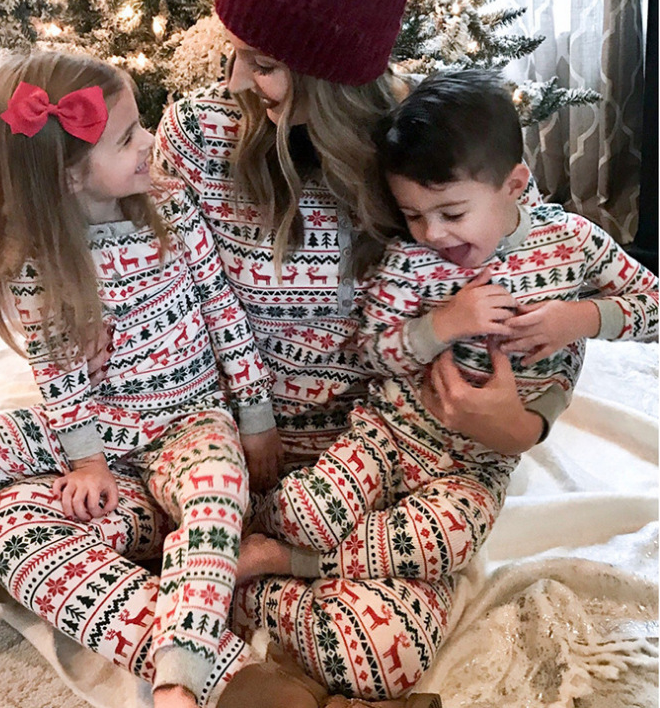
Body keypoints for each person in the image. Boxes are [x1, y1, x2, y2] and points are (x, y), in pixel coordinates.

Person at [150, 0, 551, 701]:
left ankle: (228, 589)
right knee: (64, 510)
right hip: (232, 451)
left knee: (388, 650)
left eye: (264, 64)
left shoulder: (420, 146)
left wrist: (523, 424)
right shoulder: (197, 135)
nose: (236, 79)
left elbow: (533, 254)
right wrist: (236, 434)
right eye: (237, 53)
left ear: (331, 75)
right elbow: (175, 309)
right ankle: (221, 590)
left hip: (376, 464)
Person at [0, 50, 280, 708]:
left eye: (140, 126)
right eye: (127, 138)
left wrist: (257, 419)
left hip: (192, 421)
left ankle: (181, 677)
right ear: (69, 176)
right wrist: (88, 461)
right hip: (100, 428)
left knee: (216, 499)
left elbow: (223, 313)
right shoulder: (37, 262)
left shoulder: (171, 209)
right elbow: (59, 376)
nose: (150, 142)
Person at [238, 68, 659, 595]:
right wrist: (442, 324)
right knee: (304, 514)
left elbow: (653, 303)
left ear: (514, 185)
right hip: (391, 435)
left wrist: (582, 319)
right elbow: (372, 351)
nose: (433, 233)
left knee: (448, 543)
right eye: (414, 215)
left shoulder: (572, 240)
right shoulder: (412, 258)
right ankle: (253, 530)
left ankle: (285, 560)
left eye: (452, 212)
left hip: (477, 467)